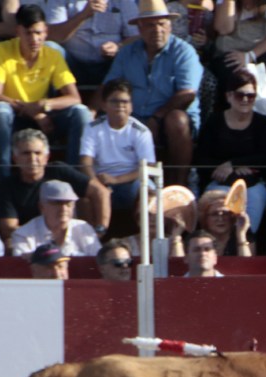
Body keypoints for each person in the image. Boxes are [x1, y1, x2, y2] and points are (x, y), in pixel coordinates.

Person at [0, 4, 93, 176]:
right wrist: (32, 111)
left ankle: (73, 176)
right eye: (28, 33)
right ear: (18, 31)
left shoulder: (53, 55)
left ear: (46, 32)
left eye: (38, 33)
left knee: (81, 112)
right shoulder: (1, 49)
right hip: (14, 116)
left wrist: (44, 105)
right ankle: (5, 178)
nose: (34, 39)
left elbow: (74, 98)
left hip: (44, 117)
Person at [104, 0, 204, 186]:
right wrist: (92, 111)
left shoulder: (184, 52)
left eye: (162, 24)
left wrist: (157, 118)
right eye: (150, 25)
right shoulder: (127, 52)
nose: (157, 30)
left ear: (170, 26)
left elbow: (187, 94)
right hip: (135, 117)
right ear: (140, 29)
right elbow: (109, 87)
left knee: (177, 119)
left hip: (171, 121)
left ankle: (180, 186)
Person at [195, 68, 266, 234]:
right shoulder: (214, 122)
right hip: (220, 183)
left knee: (247, 226)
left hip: (254, 185)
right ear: (229, 96)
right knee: (217, 209)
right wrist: (225, 169)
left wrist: (233, 164)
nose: (245, 99)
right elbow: (201, 159)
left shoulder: (263, 123)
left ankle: (245, 245)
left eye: (250, 96)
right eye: (240, 95)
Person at [0, 128, 111, 242]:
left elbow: (101, 192)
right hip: (30, 240)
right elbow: (8, 228)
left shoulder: (59, 170)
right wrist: (46, 236)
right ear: (15, 158)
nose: (32, 159)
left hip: (69, 238)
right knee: (9, 243)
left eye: (38, 153)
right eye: (26, 153)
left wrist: (100, 229)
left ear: (47, 157)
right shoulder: (8, 184)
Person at [80, 78, 156, 217]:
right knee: (82, 198)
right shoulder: (92, 128)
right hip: (101, 181)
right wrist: (96, 185)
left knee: (149, 193)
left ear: (131, 106)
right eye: (115, 101)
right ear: (104, 105)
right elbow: (85, 162)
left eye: (125, 101)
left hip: (132, 181)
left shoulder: (141, 131)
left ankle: (146, 230)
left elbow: (148, 167)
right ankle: (97, 230)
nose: (120, 105)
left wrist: (116, 180)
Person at [211, 0, 266, 117]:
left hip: (261, 51)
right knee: (228, 65)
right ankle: (228, 119)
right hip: (232, 50)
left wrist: (250, 56)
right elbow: (224, 29)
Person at [46, 0, 141, 86]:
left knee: (136, 50)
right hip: (71, 64)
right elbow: (53, 36)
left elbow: (136, 36)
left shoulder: (124, 2)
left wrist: (118, 47)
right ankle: (52, 96)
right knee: (50, 47)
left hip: (110, 65)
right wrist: (84, 15)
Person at [11, 179, 103, 257]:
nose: (64, 209)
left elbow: (98, 262)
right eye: (57, 203)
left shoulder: (84, 228)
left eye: (68, 204)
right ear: (42, 207)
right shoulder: (24, 234)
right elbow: (23, 267)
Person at [171, 187, 254, 256]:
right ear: (205, 218)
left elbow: (247, 265)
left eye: (225, 213)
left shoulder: (245, 235)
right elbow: (178, 265)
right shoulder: (195, 238)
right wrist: (176, 236)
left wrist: (241, 235)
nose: (220, 219)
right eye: (215, 214)